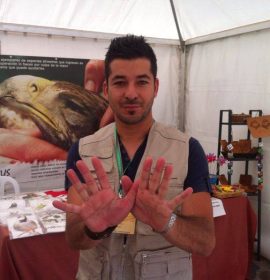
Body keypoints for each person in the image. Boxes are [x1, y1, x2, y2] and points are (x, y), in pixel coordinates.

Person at [53, 34, 215, 280]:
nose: (131, 93)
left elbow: (205, 242)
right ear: (106, 89)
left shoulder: (187, 150)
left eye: (141, 82)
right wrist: (93, 229)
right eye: (120, 82)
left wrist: (166, 222)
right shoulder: (83, 151)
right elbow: (74, 240)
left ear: (156, 87)